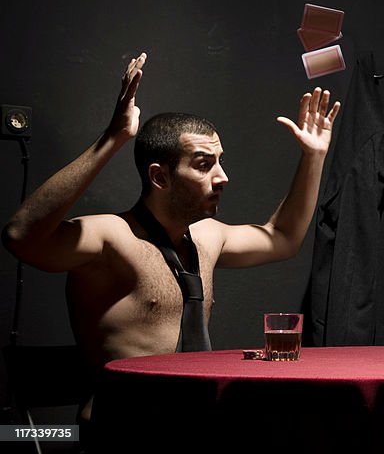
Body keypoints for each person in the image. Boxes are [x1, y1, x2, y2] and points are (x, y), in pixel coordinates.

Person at [2, 52, 340, 432]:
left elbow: (282, 238)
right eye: (203, 164)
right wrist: (112, 139)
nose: (222, 176)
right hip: (128, 431)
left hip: (200, 425)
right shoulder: (111, 237)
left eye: (220, 161)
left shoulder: (208, 237)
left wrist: (313, 157)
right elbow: (20, 237)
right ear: (159, 177)